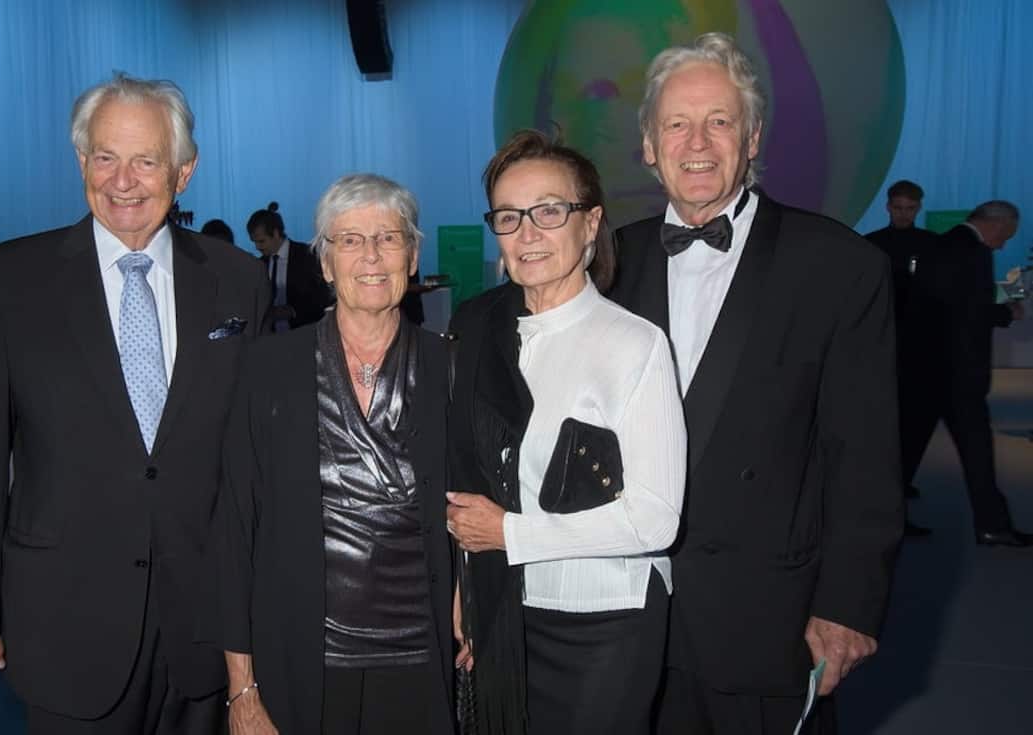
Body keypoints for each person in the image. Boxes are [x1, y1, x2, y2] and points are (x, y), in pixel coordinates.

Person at [0, 73, 268, 733]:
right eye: (104, 157)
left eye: (145, 160)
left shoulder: (238, 281)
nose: (123, 180)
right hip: (63, 623)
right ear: (81, 161)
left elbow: (251, 457)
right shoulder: (10, 279)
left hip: (201, 628)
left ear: (183, 172)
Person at [609, 33, 903, 734]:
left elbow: (863, 454)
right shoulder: (608, 263)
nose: (697, 142)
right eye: (675, 124)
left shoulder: (838, 266)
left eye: (719, 121)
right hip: (627, 618)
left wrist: (848, 605)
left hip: (766, 616)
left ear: (752, 138)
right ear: (648, 145)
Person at [445, 130, 687, 734]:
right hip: (506, 608)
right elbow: (469, 476)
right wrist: (467, 587)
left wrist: (509, 534)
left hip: (606, 621)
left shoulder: (634, 343)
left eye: (550, 211)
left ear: (590, 224)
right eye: (509, 216)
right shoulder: (476, 326)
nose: (528, 233)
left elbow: (656, 519)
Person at [213, 174, 455, 734]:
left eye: (389, 238)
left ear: (412, 256)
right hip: (303, 660)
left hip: (423, 656)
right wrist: (241, 686)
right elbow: (235, 531)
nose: (370, 256)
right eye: (349, 240)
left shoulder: (450, 367)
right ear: (324, 263)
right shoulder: (268, 370)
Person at [918, 201, 1030, 546]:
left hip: (929, 369)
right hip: (960, 373)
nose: (1004, 244)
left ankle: (876, 524)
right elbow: (968, 313)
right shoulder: (973, 253)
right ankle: (992, 525)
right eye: (1006, 236)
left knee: (904, 452)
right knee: (978, 454)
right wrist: (1005, 312)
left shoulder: (941, 245)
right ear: (996, 224)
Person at [865, 180, 941, 533]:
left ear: (919, 208)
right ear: (888, 206)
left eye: (909, 208)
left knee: (913, 424)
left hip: (921, 349)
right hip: (885, 350)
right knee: (889, 427)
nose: (903, 213)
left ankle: (900, 482)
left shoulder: (932, 246)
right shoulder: (871, 246)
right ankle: (891, 497)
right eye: (898, 207)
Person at [247, 202, 333, 332]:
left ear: (276, 233)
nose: (257, 247)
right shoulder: (260, 265)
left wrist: (292, 311)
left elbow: (325, 296)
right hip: (271, 339)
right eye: (254, 242)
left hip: (306, 335)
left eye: (261, 241)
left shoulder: (308, 256)